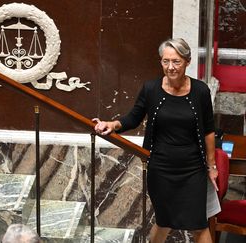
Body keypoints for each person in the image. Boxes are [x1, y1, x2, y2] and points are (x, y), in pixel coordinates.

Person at [93, 38, 219, 243]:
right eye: (165, 61)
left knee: (199, 223)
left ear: (187, 61)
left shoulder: (200, 91)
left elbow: (209, 130)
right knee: (164, 220)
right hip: (160, 168)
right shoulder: (151, 89)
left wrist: (211, 165)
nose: (170, 67)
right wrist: (112, 124)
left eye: (176, 61)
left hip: (193, 168)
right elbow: (133, 118)